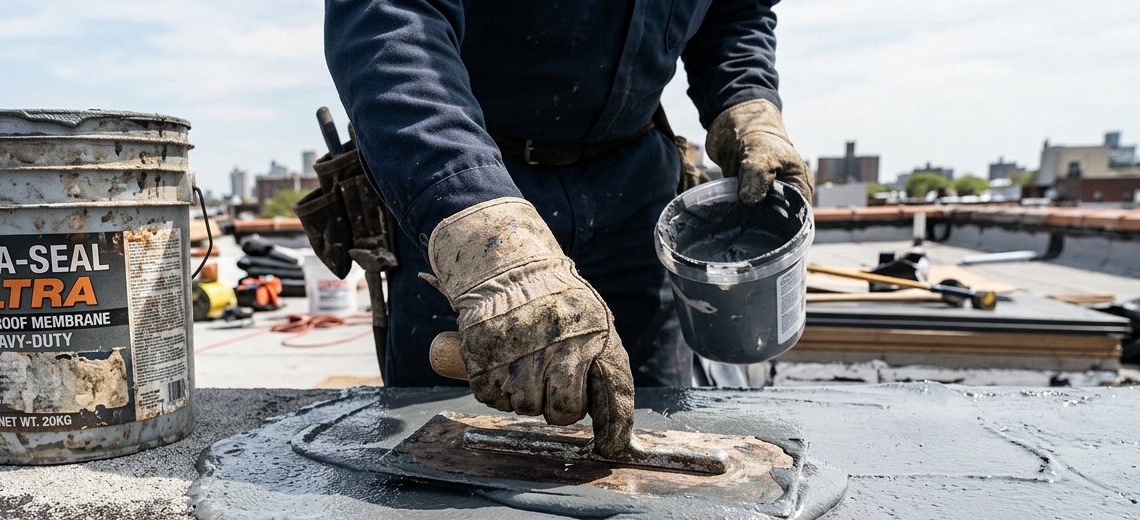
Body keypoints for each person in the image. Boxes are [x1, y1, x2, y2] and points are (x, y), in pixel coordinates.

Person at [323, 0, 812, 457]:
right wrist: (491, 243)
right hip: (473, 189)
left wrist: (747, 103)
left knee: (655, 423)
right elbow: (390, 19)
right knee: (437, 445)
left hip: (635, 189)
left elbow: (735, 11)